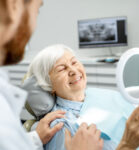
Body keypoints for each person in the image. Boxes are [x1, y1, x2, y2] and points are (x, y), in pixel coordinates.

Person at [0, 0, 103, 150]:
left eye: (74, 62)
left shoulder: (98, 96)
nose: (73, 70)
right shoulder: (60, 126)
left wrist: (35, 138)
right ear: (13, 6)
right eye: (37, 10)